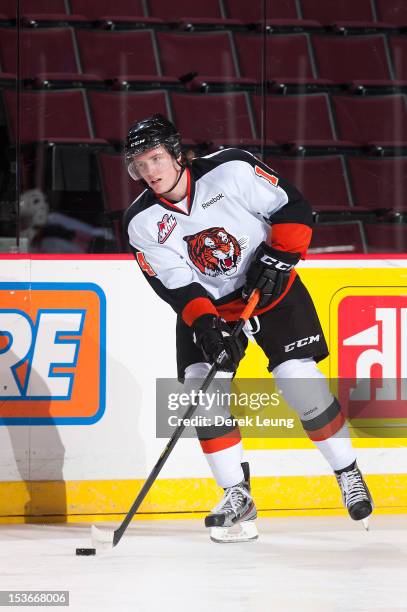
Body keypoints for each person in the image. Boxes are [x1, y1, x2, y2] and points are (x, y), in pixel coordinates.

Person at [123, 114, 373, 543]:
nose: (150, 171)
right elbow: (175, 284)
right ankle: (238, 496)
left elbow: (293, 206)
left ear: (176, 154)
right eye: (140, 164)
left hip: (273, 292)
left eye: (156, 158)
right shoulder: (141, 222)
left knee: (300, 382)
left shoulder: (231, 168)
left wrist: (282, 256)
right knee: (201, 394)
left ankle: (348, 473)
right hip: (214, 309)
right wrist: (206, 326)